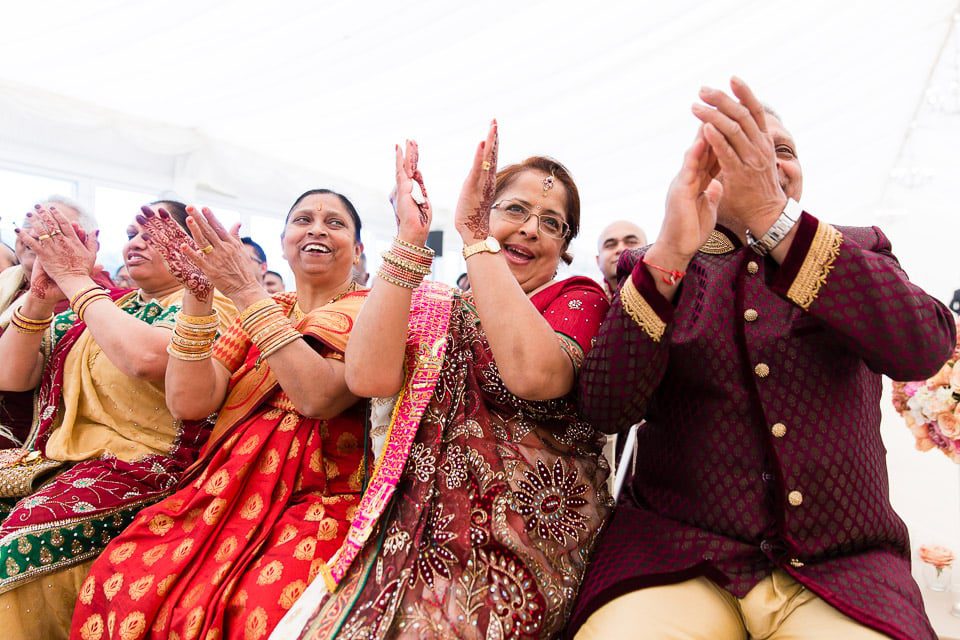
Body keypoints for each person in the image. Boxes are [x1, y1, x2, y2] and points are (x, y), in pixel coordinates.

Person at [567, 78, 956, 640]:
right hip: (675, 559)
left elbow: (924, 346)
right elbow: (605, 407)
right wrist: (671, 254)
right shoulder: (656, 267)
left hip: (843, 570)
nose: (767, 161)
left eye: (783, 151)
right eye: (742, 149)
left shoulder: (859, 248)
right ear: (705, 174)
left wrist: (775, 220)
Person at [277, 131, 612, 639]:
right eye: (515, 210)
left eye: (551, 223)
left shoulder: (579, 298)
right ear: (485, 209)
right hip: (415, 523)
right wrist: (410, 240)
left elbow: (535, 376)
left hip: (529, 540)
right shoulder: (438, 304)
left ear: (564, 246)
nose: (529, 230)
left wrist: (478, 237)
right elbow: (368, 376)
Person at [71, 190, 369, 640]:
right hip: (226, 485)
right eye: (303, 219)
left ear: (359, 249)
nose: (317, 229)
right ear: (285, 238)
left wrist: (246, 291)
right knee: (124, 569)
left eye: (335, 223)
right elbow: (189, 402)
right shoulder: (273, 309)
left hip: (323, 493)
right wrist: (197, 294)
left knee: (258, 608)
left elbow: (318, 399)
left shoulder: (367, 310)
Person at [0, 201, 236, 639]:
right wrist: (38, 298)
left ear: (194, 249)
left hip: (149, 471)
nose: (138, 242)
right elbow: (10, 375)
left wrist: (76, 282)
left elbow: (146, 359)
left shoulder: (211, 306)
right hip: (60, 464)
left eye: (156, 233)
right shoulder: (110, 305)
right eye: (132, 233)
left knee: (16, 545)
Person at [0, 199, 111, 449]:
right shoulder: (7, 282)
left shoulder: (96, 297)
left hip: (29, 426)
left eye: (53, 227)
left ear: (86, 240)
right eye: (29, 225)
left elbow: (11, 378)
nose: (36, 234)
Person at [596, 220, 646, 298]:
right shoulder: (587, 298)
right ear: (598, 261)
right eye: (610, 245)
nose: (621, 249)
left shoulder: (668, 293)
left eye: (631, 242)